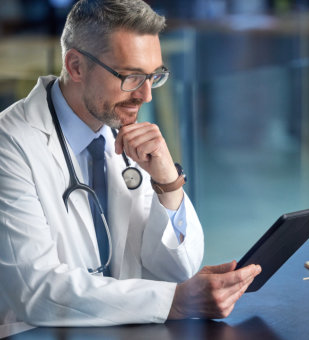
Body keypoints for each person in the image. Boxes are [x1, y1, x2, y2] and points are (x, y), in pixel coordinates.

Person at [0, 0, 261, 326]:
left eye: (154, 76)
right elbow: (36, 292)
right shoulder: (9, 145)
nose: (146, 95)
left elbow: (179, 268)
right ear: (77, 66)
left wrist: (168, 183)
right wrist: (174, 300)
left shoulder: (126, 138)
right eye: (131, 77)